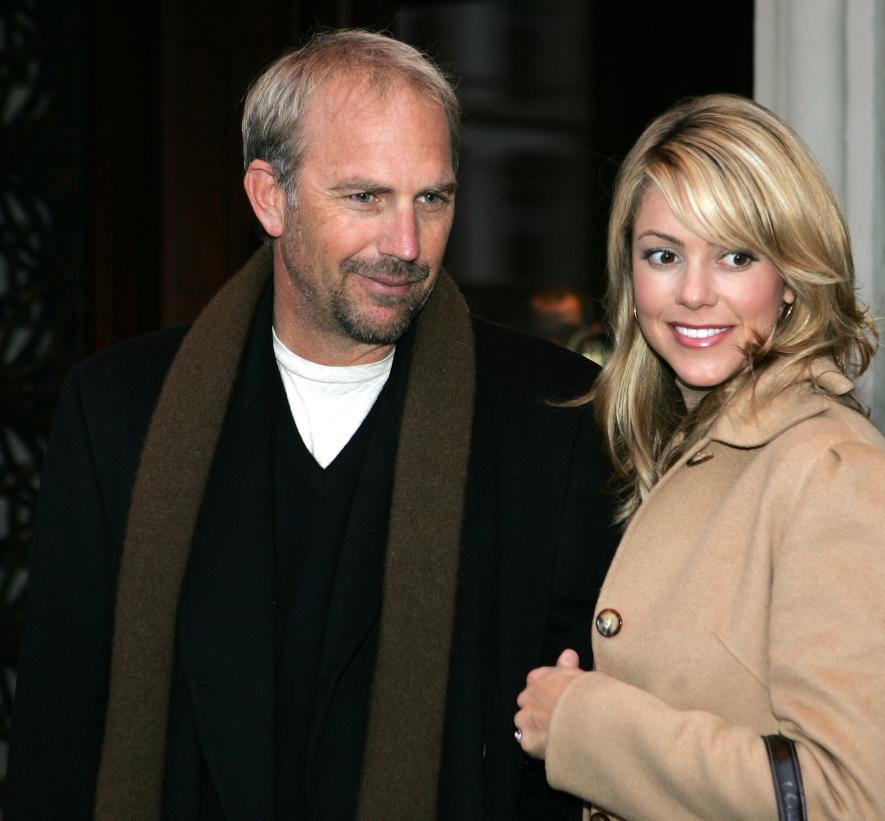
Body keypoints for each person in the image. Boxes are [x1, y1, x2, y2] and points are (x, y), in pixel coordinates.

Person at [6, 30, 619, 821]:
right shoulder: (122, 411)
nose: (406, 245)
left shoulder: (556, 415)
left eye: (432, 198)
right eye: (366, 197)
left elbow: (575, 745)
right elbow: (58, 738)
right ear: (270, 197)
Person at [514, 94, 885, 820]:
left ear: (792, 277)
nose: (693, 292)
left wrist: (583, 724)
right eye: (663, 254)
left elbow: (847, 803)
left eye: (736, 255)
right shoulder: (677, 449)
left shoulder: (833, 473)